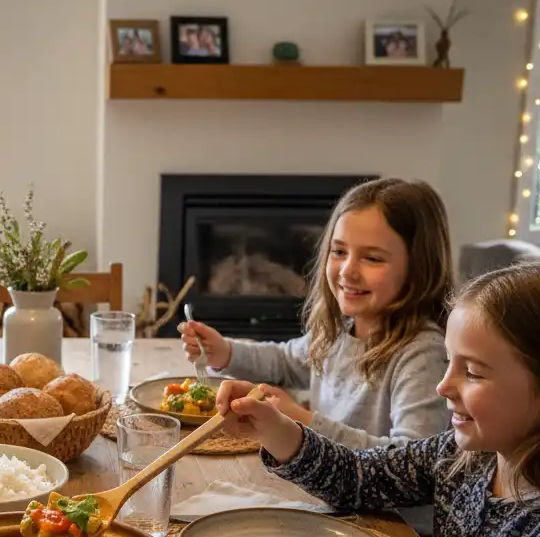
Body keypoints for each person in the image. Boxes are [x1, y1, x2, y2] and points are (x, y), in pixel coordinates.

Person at [216, 262, 540, 537]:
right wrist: (277, 431)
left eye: (472, 372)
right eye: (450, 362)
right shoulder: (462, 458)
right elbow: (359, 476)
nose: (444, 386)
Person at [179, 178, 453, 449]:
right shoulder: (340, 332)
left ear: (419, 267)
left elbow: (413, 462)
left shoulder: (423, 354)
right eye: (339, 251)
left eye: (373, 258)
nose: (347, 271)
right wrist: (224, 351)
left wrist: (303, 422)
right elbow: (285, 361)